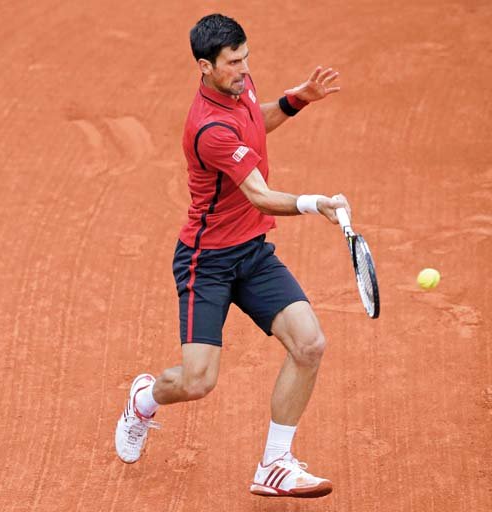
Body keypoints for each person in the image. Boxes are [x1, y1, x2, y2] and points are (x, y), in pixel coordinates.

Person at [114, 14, 349, 499]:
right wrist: (313, 203)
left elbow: (253, 122)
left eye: (246, 57)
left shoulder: (237, 87)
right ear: (205, 67)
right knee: (198, 382)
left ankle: (275, 464)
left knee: (309, 345)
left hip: (253, 252)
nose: (244, 69)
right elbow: (259, 194)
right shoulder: (207, 128)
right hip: (208, 263)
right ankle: (143, 399)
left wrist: (296, 99)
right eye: (233, 62)